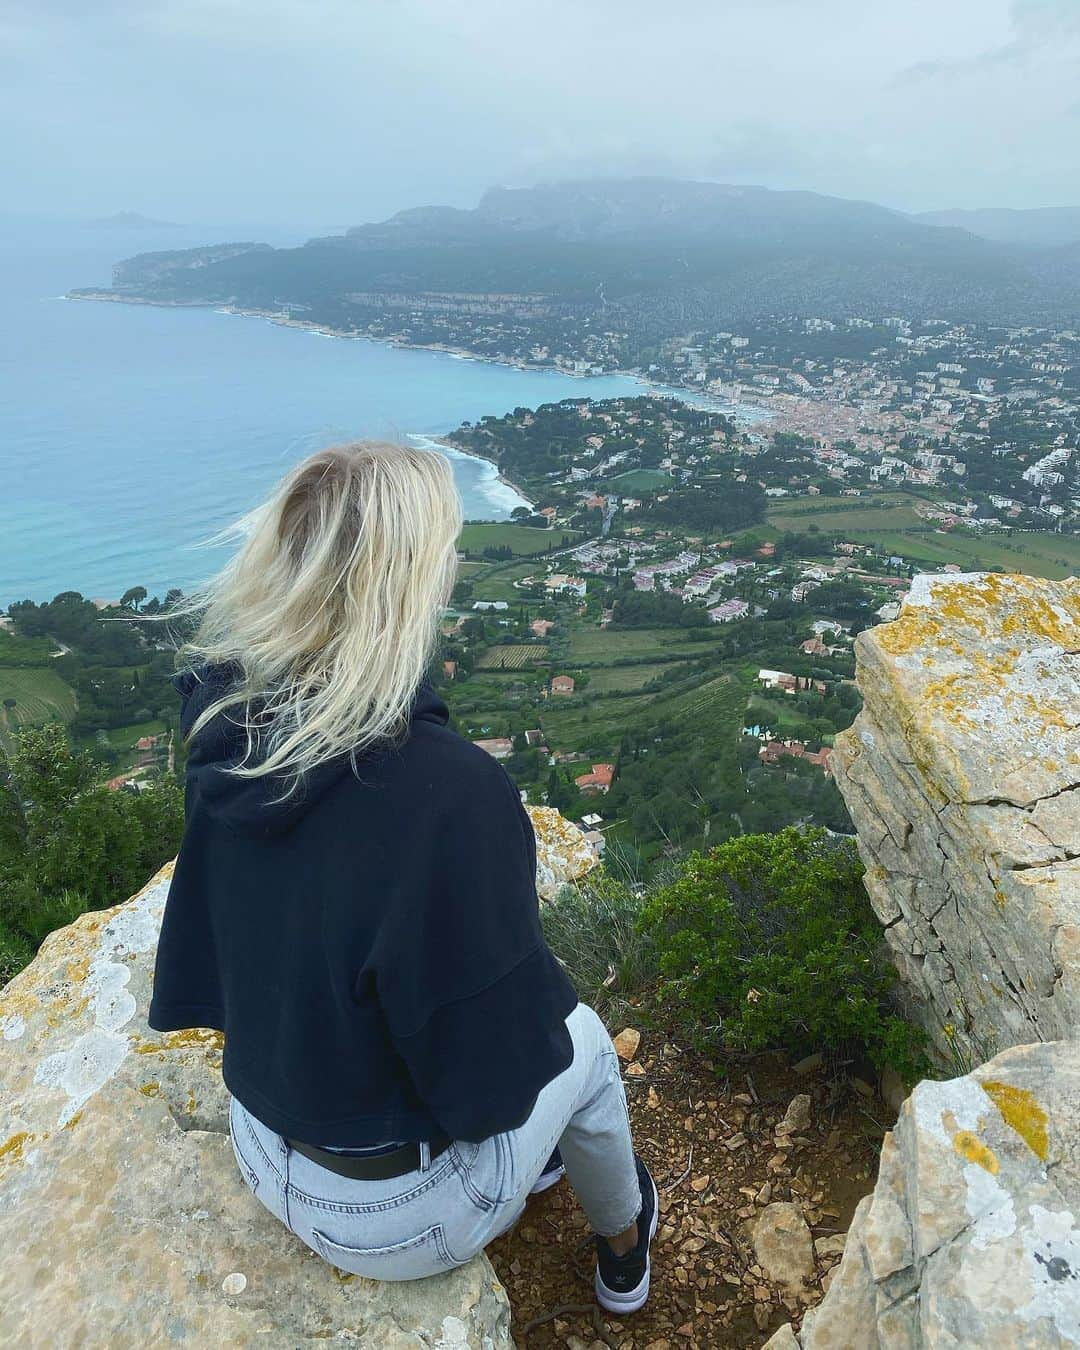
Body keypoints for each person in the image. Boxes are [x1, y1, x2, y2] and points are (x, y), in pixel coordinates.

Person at [147, 441, 657, 1313]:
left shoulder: (226, 732)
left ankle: (553, 1179)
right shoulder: (452, 796)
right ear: (412, 583)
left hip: (264, 1141)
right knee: (584, 1048)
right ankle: (624, 1247)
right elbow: (490, 1083)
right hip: (394, 1217)